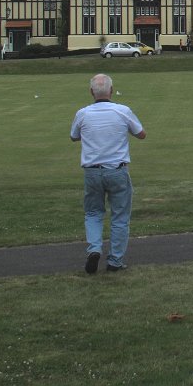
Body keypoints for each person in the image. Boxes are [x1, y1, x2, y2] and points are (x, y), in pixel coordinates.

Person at [70, 73, 146, 274]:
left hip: (92, 171)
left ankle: (94, 248)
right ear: (111, 91)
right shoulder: (122, 111)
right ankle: (115, 260)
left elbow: (74, 136)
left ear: (91, 92)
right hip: (117, 170)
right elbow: (141, 134)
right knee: (120, 216)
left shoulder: (83, 113)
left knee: (93, 212)